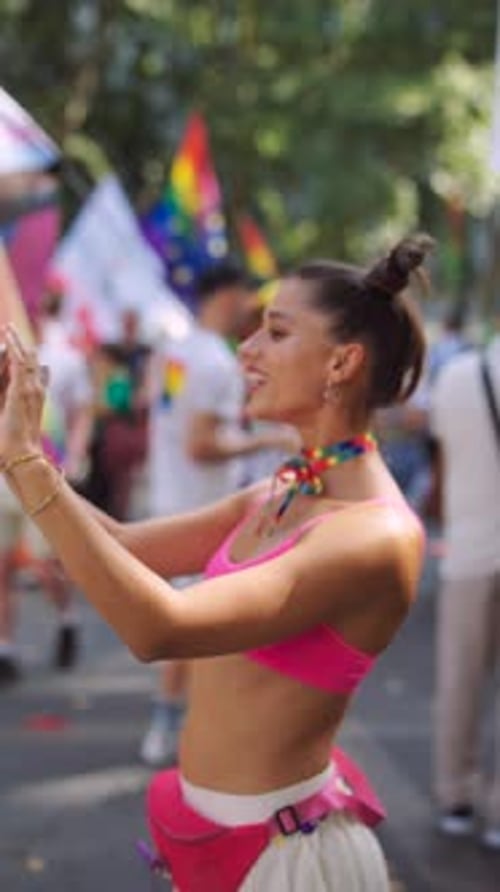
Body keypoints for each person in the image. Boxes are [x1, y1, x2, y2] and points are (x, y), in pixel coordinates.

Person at [0, 233, 430, 890]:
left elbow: (161, 629)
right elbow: (119, 543)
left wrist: (26, 465)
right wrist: (23, 442)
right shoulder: (285, 487)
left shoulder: (374, 536)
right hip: (213, 841)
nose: (247, 350)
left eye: (276, 334)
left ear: (342, 363)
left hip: (283, 864)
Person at [141, 261, 296, 766]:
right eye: (249, 300)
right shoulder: (211, 362)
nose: (253, 315)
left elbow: (156, 407)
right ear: (227, 295)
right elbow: (201, 445)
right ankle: (174, 729)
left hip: (171, 500)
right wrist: (270, 438)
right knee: (195, 628)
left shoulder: (174, 351)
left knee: (188, 626)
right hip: (202, 511)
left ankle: (175, 726)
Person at [0, 287, 93, 682]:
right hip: (4, 474)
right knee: (2, 564)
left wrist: (73, 454)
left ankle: (67, 618)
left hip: (43, 470)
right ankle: (4, 648)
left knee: (49, 563)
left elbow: (84, 410)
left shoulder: (62, 355)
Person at [430, 332, 500, 850]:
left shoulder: (456, 376)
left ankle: (455, 795)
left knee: (461, 679)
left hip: (470, 549)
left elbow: (443, 460)